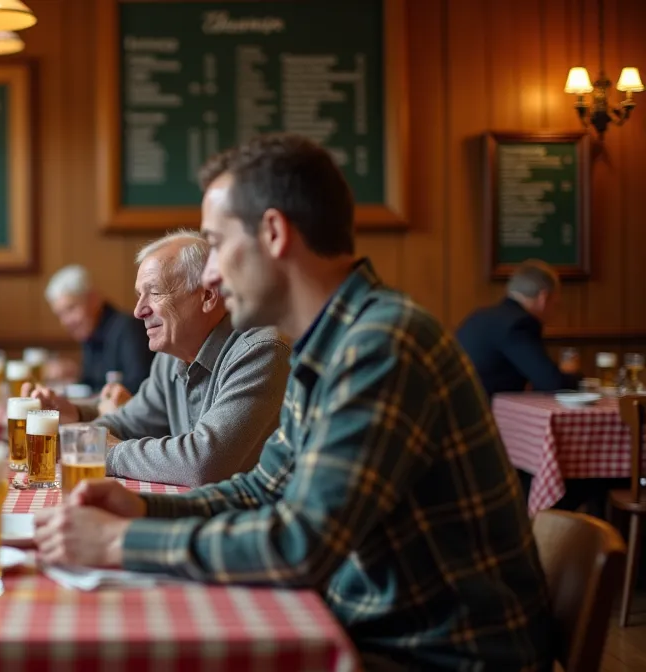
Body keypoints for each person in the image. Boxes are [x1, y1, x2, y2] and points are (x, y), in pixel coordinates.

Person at [33, 134, 552, 670]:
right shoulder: (328, 341)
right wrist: (144, 506)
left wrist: (123, 543)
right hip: (375, 627)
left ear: (275, 234)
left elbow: (301, 545)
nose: (209, 274)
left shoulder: (382, 343)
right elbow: (263, 488)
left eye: (217, 243)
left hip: (442, 653)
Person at [25, 232, 289, 488]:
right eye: (139, 294)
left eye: (155, 292)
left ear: (208, 295)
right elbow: (126, 422)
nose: (139, 310)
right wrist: (59, 439)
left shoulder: (260, 351)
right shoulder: (169, 358)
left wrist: (108, 452)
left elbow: (203, 462)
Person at [455, 260, 580, 398]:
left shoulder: (479, 316)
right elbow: (552, 384)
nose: (555, 312)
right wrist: (573, 376)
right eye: (555, 305)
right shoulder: (519, 324)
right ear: (543, 298)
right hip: (487, 415)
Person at [44, 264, 154, 392]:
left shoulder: (129, 328)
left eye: (71, 309)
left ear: (93, 299)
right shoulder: (89, 330)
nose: (65, 322)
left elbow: (138, 389)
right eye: (60, 314)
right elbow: (94, 385)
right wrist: (75, 374)